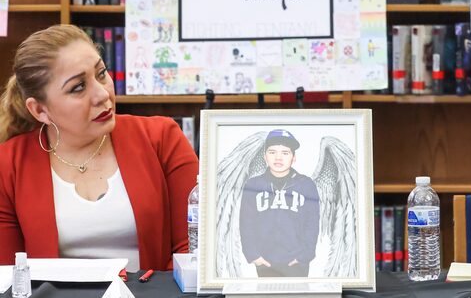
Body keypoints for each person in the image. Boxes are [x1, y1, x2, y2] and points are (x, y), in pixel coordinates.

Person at [0, 25, 199, 271]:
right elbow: (8, 275)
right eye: (78, 87)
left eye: (101, 73)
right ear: (40, 110)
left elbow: (193, 255)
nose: (102, 94)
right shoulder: (8, 164)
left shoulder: (162, 138)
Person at [239, 129, 320, 277]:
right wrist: (253, 255)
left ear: (293, 158)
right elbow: (246, 223)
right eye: (272, 152)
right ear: (265, 157)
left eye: (285, 153)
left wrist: (304, 256)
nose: (278, 157)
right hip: (265, 263)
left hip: (297, 263)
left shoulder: (306, 185)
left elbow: (312, 223)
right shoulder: (253, 185)